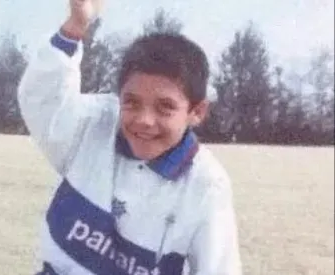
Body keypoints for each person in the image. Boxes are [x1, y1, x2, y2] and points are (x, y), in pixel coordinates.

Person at [17, 0, 242, 274]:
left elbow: (218, 268)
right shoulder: (93, 126)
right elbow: (42, 100)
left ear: (196, 111)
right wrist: (75, 28)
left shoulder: (207, 185)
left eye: (165, 107)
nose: (144, 120)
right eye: (132, 103)